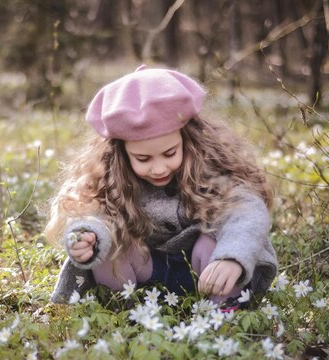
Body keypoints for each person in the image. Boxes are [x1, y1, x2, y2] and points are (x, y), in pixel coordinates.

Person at [44, 65, 278, 307]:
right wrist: (88, 237)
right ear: (121, 154)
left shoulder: (210, 167)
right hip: (147, 273)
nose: (158, 168)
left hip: (206, 270)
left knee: (210, 241)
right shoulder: (112, 178)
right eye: (143, 159)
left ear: (189, 139)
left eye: (170, 153)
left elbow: (247, 210)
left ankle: (224, 312)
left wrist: (232, 257)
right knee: (111, 249)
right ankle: (126, 315)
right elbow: (95, 213)